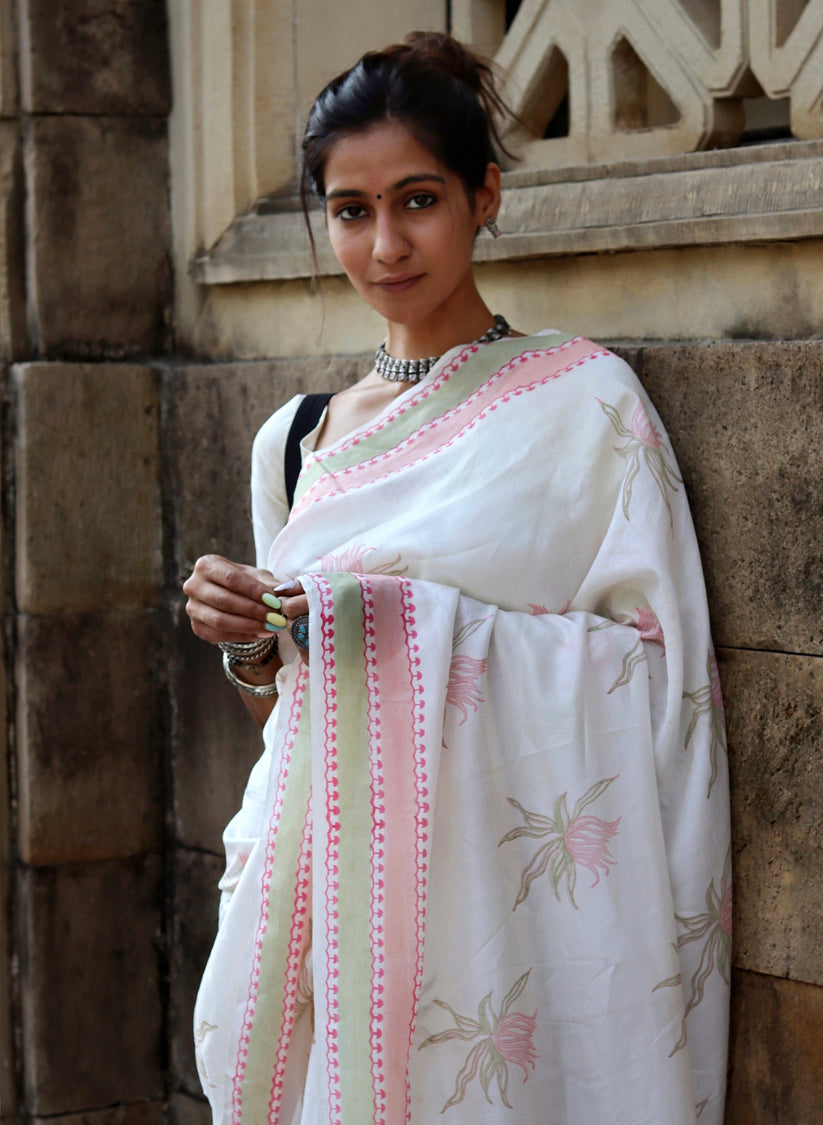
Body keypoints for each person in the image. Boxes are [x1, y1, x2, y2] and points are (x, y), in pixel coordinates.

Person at [184, 30, 731, 1125]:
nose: (385, 244)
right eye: (351, 211)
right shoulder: (291, 443)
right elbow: (288, 709)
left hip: (503, 928)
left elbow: (661, 679)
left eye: (417, 200)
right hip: (335, 910)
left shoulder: (582, 407)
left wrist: (390, 622)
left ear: (484, 197)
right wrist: (254, 636)